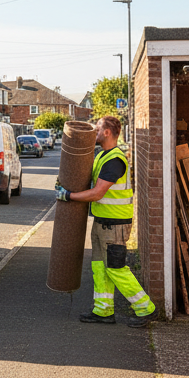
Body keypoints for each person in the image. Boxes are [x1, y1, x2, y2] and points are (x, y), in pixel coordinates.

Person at [55, 116, 157, 327]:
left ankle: (145, 308)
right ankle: (103, 311)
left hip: (115, 225)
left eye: (98, 128)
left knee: (115, 268)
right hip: (103, 222)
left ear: (108, 132)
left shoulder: (114, 160)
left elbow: (98, 193)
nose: (95, 131)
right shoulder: (103, 155)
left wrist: (69, 196)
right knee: (100, 267)